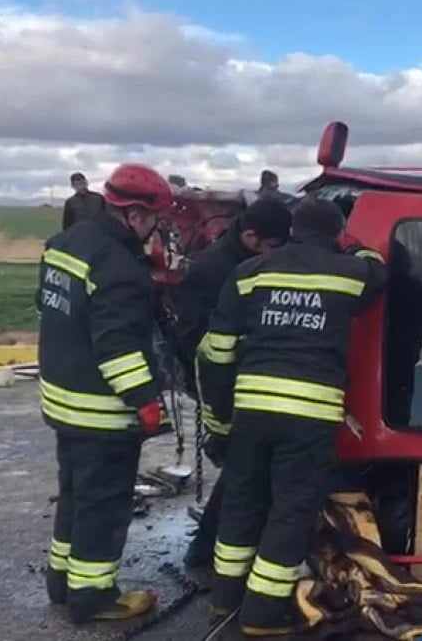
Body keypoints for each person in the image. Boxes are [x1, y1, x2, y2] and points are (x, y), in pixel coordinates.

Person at [196, 197, 387, 634]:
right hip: (308, 413)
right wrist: (355, 246)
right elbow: (378, 270)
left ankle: (224, 598)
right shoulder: (349, 271)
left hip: (252, 409)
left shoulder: (248, 273)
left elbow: (217, 352)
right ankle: (262, 614)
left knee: (242, 500)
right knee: (290, 508)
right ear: (335, 234)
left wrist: (219, 418)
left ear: (292, 231)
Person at [37, 162, 174, 624]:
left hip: (62, 399)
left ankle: (62, 581)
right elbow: (117, 347)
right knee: (104, 505)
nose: (158, 229)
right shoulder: (118, 269)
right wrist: (145, 400)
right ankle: (93, 596)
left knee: (75, 495)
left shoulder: (65, 243)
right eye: (155, 220)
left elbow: (52, 306)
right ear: (135, 215)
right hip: (100, 412)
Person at [168, 197, 295, 568]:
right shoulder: (215, 270)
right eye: (275, 246)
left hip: (244, 379)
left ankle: (215, 546)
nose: (280, 254)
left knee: (246, 468)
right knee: (243, 470)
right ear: (252, 236)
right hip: (222, 383)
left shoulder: (241, 259)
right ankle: (208, 549)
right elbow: (194, 340)